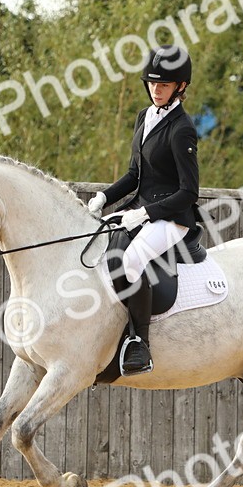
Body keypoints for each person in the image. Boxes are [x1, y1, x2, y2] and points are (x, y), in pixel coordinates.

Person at [87, 45, 200, 375]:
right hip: (141, 209)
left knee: (132, 260)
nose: (156, 90)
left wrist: (148, 213)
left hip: (173, 218)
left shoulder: (182, 129)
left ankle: (140, 345)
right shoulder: (144, 116)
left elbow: (188, 192)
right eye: (152, 83)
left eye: (164, 85)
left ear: (180, 87)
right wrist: (104, 198)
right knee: (97, 243)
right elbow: (135, 175)